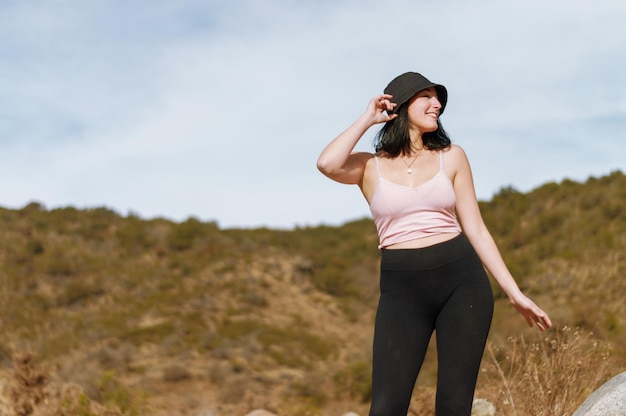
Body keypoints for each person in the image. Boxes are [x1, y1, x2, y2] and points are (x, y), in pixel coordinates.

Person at [316, 72, 552, 416]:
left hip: (462, 282)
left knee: (454, 406)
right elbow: (327, 163)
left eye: (437, 98)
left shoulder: (452, 156)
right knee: (385, 407)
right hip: (401, 290)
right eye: (425, 96)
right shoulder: (369, 167)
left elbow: (476, 229)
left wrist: (515, 293)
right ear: (399, 105)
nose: (436, 104)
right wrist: (368, 118)